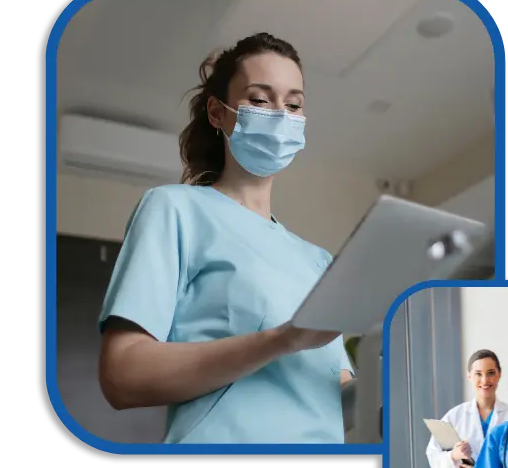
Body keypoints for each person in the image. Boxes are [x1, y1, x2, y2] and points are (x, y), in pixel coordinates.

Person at [98, 32, 354, 444]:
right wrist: (280, 340)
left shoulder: (318, 261)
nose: (281, 116)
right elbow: (122, 375)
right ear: (218, 113)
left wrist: (396, 385)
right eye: (259, 99)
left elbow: (334, 396)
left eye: (293, 104)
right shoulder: (174, 210)